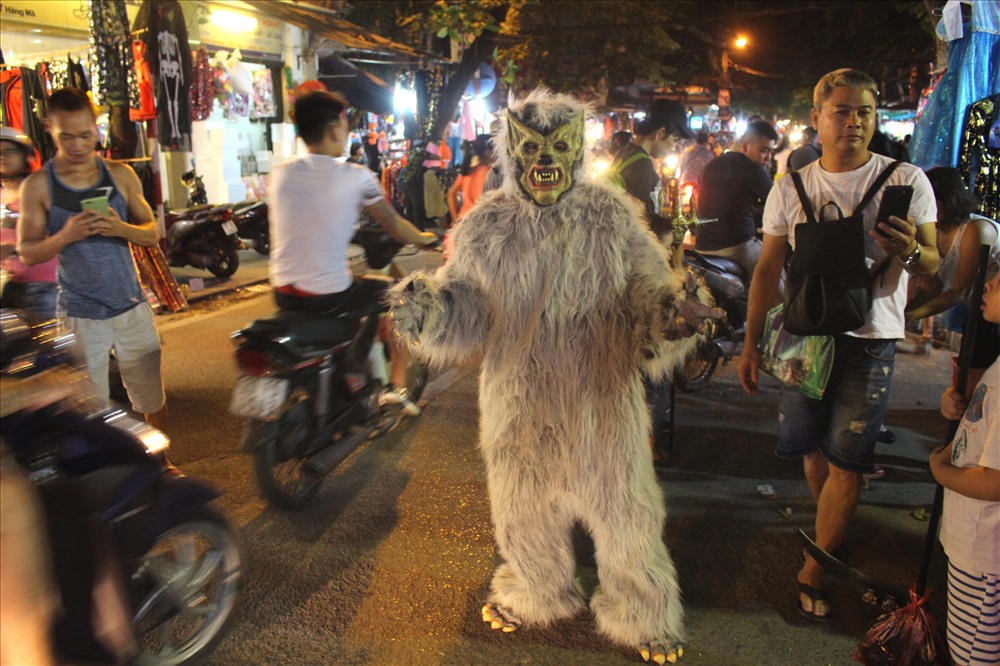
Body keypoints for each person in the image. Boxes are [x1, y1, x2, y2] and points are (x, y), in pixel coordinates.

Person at [737, 68, 939, 621]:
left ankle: (816, 563)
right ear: (818, 119)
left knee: (848, 461)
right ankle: (831, 526)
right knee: (812, 453)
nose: (854, 122)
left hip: (871, 340)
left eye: (865, 112)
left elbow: (933, 261)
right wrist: (751, 344)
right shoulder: (790, 187)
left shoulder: (908, 179)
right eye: (842, 111)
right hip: (805, 338)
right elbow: (767, 270)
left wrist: (913, 253)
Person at [268, 90, 438, 414]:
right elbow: (395, 226)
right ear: (334, 130)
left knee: (361, 287)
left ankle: (348, 368)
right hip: (328, 295)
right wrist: (425, 238)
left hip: (282, 292)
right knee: (404, 295)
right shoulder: (357, 176)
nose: (346, 133)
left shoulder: (280, 174)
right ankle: (398, 387)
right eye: (344, 126)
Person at [17, 87, 167, 431]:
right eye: (66, 137)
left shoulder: (120, 175)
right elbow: (27, 251)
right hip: (79, 312)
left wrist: (119, 228)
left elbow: (152, 232)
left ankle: (161, 462)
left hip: (131, 305)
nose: (78, 146)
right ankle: (107, 471)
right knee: (89, 405)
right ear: (49, 129)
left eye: (86, 135)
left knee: (151, 397)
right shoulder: (39, 186)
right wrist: (64, 235)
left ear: (95, 127)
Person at [931, 270, 999, 666]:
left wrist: (941, 472)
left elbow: (995, 481)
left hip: (984, 552)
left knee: (974, 655)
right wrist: (961, 404)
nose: (987, 283)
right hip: (981, 547)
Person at [906, 167, 1000, 349]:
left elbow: (961, 290)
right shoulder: (934, 230)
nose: (925, 209)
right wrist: (902, 314)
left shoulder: (976, 230)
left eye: (931, 202)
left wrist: (909, 315)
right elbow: (932, 285)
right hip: (982, 311)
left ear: (949, 200)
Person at [695, 120, 778, 280]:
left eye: (771, 152)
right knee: (777, 287)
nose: (768, 158)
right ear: (745, 146)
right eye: (764, 150)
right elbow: (778, 202)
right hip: (736, 246)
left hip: (702, 246)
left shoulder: (712, 163)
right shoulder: (754, 170)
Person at [609, 98, 694, 239]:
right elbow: (639, 221)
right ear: (660, 133)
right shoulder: (641, 164)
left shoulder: (625, 153)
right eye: (674, 140)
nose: (674, 148)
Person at [0, 127, 57, 322]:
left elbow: (59, 232)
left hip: (46, 283)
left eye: (10, 151)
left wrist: (15, 250)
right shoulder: (3, 196)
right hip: (16, 284)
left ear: (25, 155)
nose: (3, 157)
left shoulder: (39, 189)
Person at [447, 134, 493, 223]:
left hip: (463, 223)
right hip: (480, 225)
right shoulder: (490, 173)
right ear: (488, 151)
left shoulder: (467, 171)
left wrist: (456, 219)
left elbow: (451, 194)